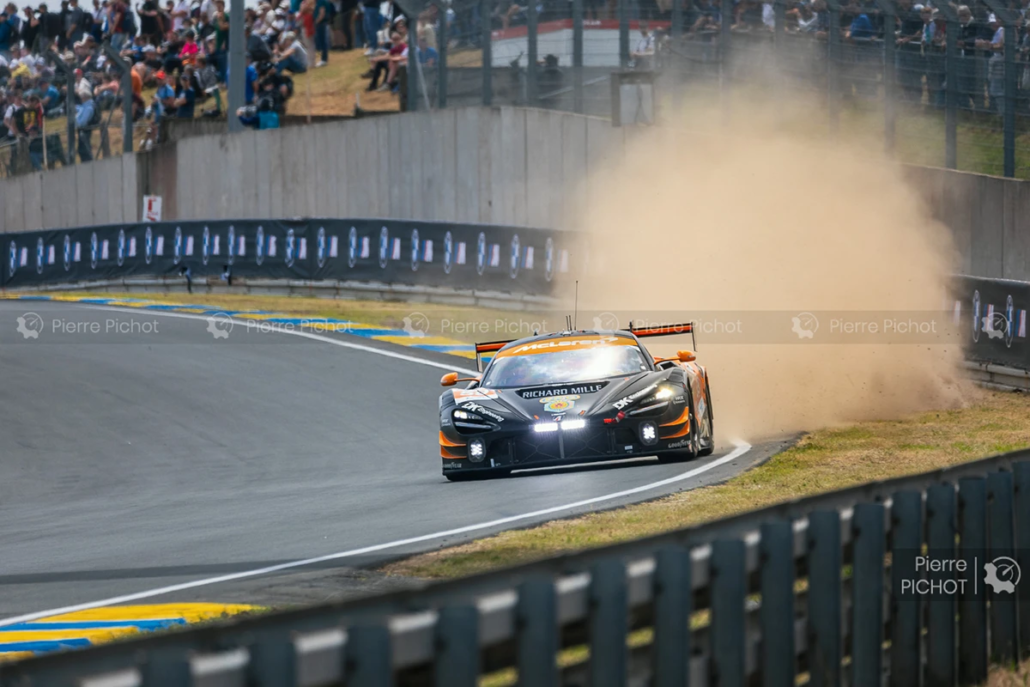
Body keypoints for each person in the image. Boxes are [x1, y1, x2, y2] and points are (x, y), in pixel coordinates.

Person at [313, 0, 332, 66]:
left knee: (323, 41)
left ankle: (324, 59)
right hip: (321, 23)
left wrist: (316, 22)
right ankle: (323, 59)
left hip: (321, 23)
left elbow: (322, 13)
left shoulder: (321, 1)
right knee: (322, 41)